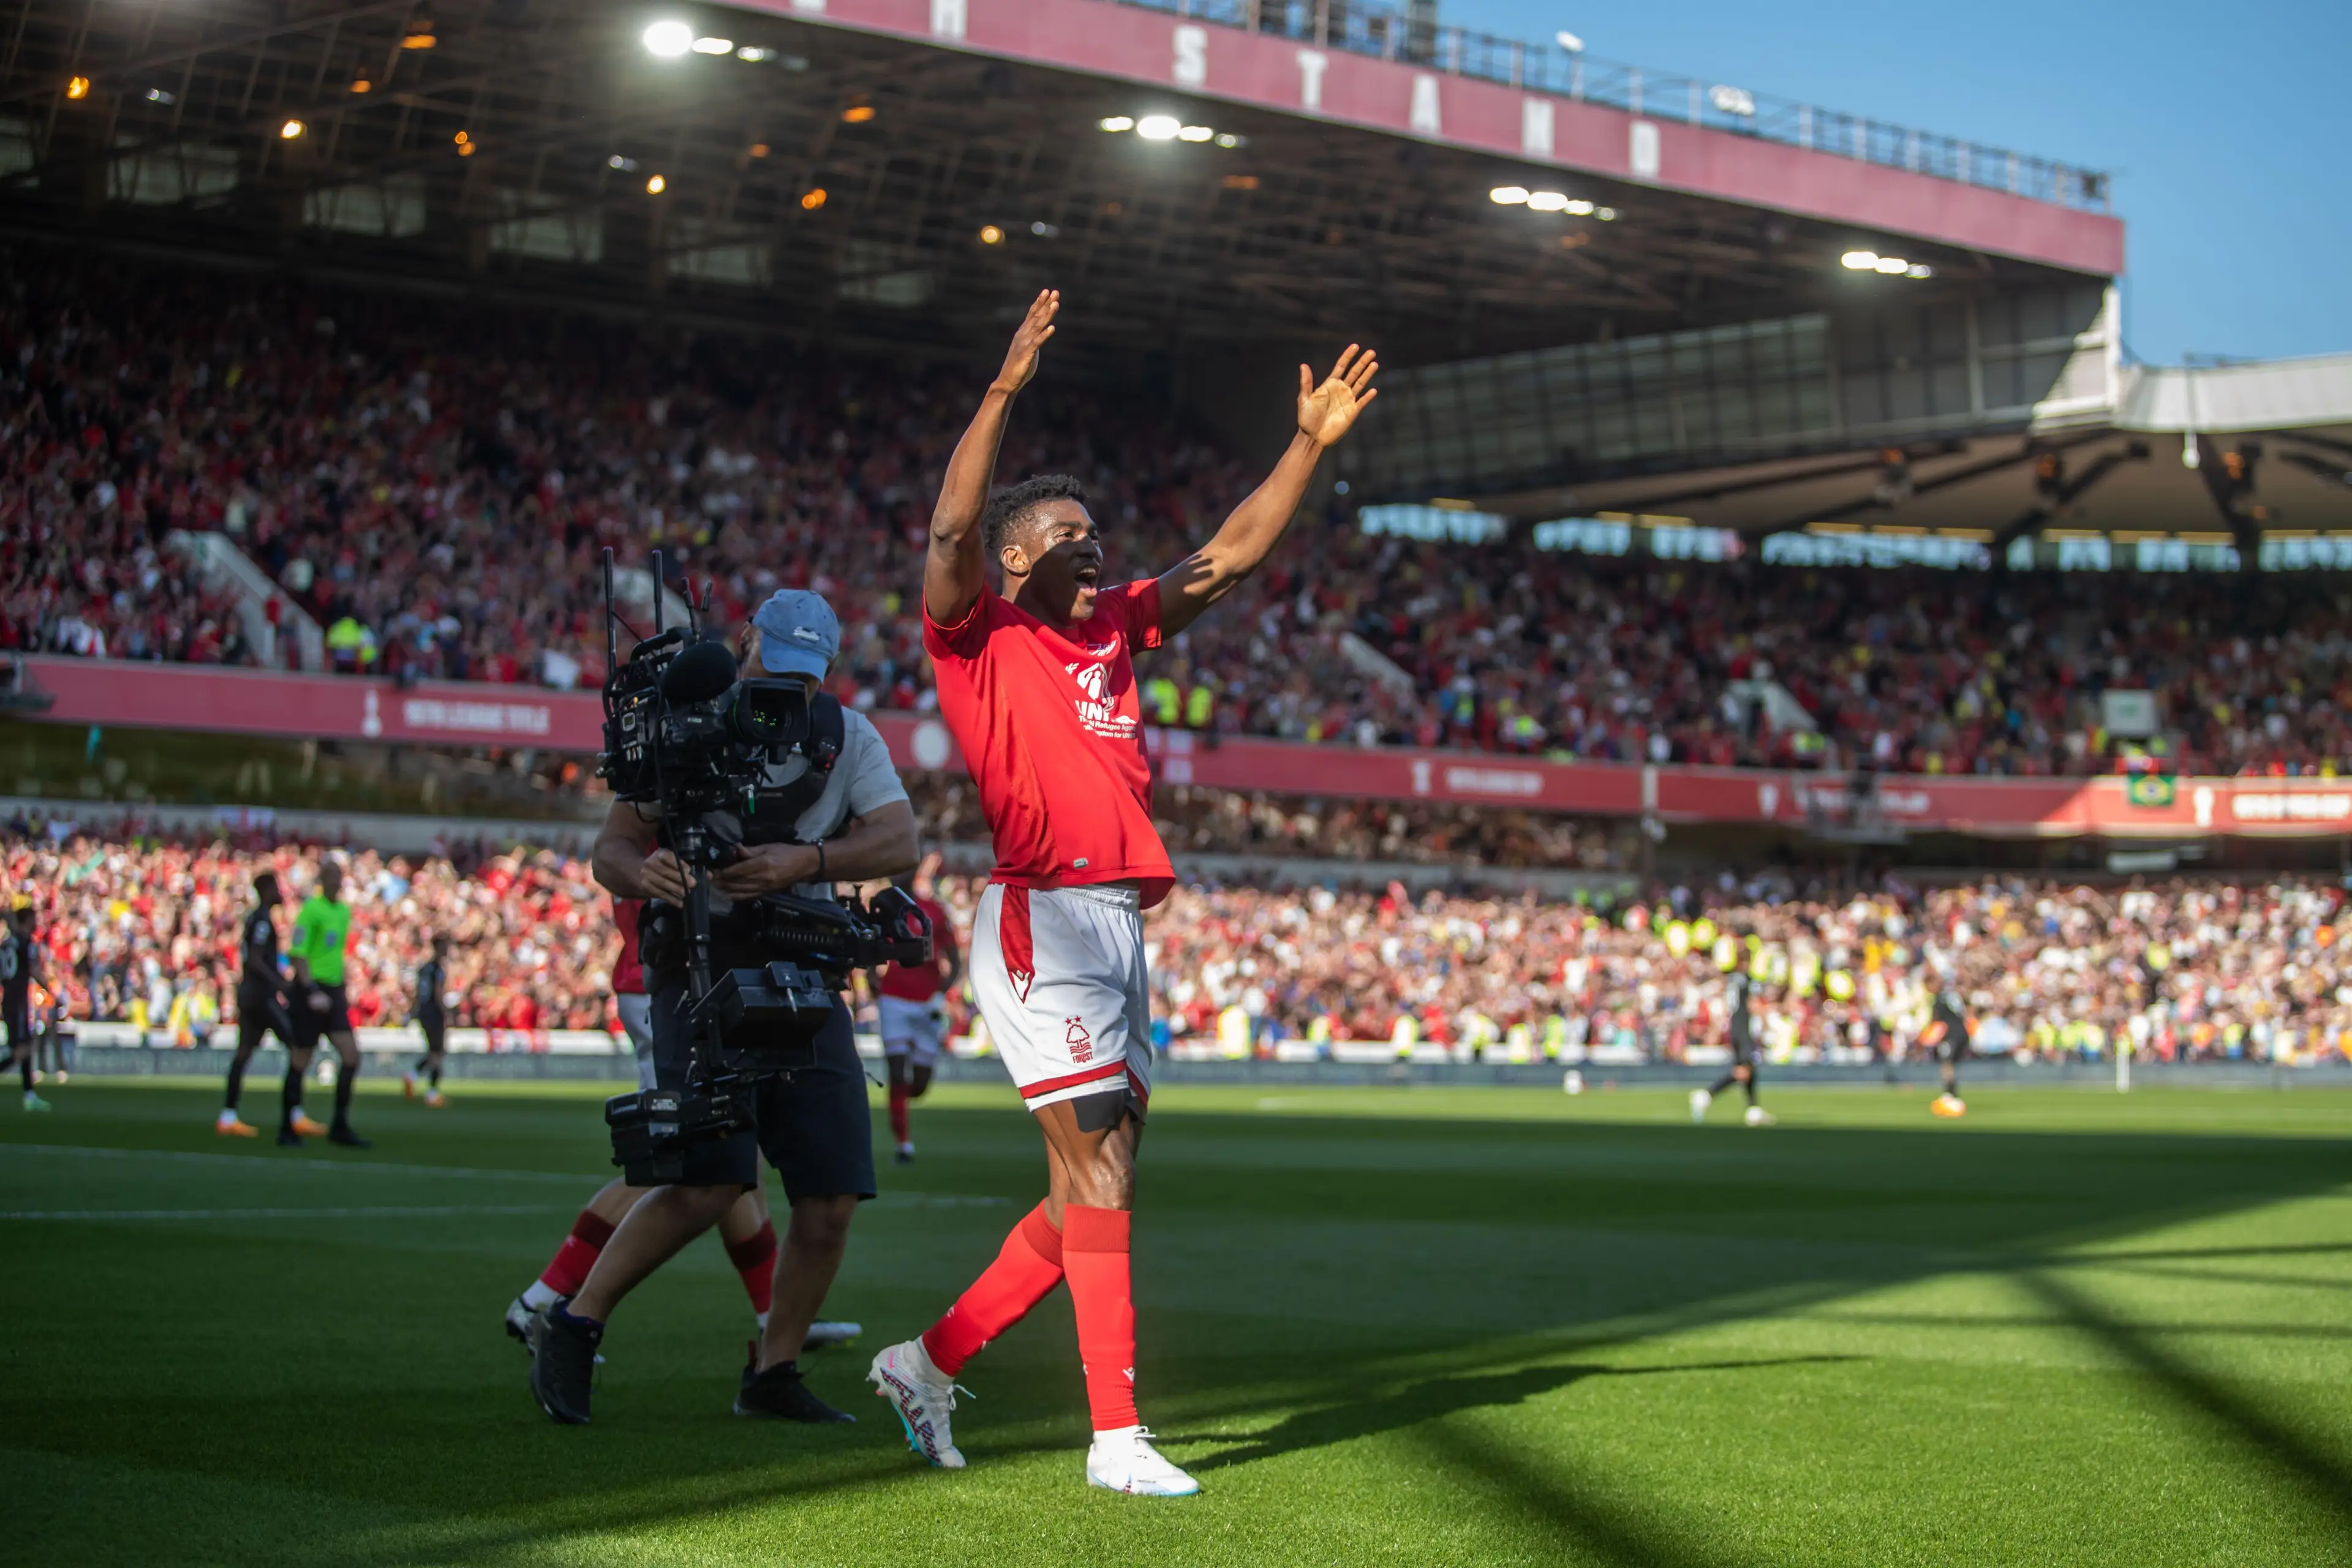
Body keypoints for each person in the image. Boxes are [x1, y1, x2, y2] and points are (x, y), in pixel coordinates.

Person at [866, 290, 1378, 1496]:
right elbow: (945, 539)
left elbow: (1233, 553)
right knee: (1097, 1172)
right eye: (1071, 533)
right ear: (1019, 559)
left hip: (1114, 924)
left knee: (1091, 1185)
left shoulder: (1117, 632)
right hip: (1042, 911)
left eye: (1099, 531)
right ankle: (1116, 1437)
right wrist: (1001, 392)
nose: (1099, 545)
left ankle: (924, 1360)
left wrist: (1307, 440)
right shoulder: (976, 633)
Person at [528, 589, 919, 1426]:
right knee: (707, 1181)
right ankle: (572, 1324)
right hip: (699, 971)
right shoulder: (685, 724)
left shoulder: (849, 736)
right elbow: (612, 850)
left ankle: (772, 1372)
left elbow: (900, 840)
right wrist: (646, 874)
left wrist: (801, 860)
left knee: (832, 1194)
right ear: (746, 644)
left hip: (805, 969)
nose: (791, 693)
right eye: (779, 673)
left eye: (807, 681)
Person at [876, 853, 962, 1164]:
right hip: (894, 1000)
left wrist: (941, 993)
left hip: (927, 1003)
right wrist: (874, 981)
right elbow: (871, 950)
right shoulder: (884, 911)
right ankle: (903, 1143)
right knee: (897, 1070)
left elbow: (954, 959)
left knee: (920, 1084)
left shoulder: (934, 911)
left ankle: (897, 1100)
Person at [284, 860, 371, 1148]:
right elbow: (299, 953)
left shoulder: (343, 912)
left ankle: (339, 1125)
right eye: (331, 877)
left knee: (351, 1055)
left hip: (333, 991)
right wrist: (310, 989)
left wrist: (340, 989)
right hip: (311, 989)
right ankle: (288, 1126)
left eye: (339, 876)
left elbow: (335, 953)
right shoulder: (311, 910)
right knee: (301, 1057)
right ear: (323, 879)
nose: (336, 882)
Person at [219, 873, 299, 1137]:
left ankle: (228, 1116)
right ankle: (294, 1115)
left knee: (243, 1054)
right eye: (276, 886)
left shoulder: (257, 919)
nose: (280, 891)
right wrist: (280, 983)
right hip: (261, 997)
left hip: (251, 994)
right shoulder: (262, 920)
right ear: (266, 889)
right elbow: (254, 960)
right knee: (297, 1047)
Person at [1691, 969, 1773, 1127]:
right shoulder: (1748, 979)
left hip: (1735, 1027)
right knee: (1743, 1071)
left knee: (1749, 1068)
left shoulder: (1733, 979)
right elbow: (1753, 1003)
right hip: (1743, 1028)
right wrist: (1766, 1025)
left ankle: (1753, 1109)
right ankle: (1706, 1095)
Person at [4, 902, 50, 1113]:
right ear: (27, 920)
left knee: (24, 1047)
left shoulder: (6, 943)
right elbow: (32, 969)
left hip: (9, 1000)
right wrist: (50, 990)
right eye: (34, 918)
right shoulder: (25, 942)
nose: (37, 922)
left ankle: (29, 1095)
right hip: (19, 1001)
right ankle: (29, 1095)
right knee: (22, 1049)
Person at [403, 934, 451, 1107]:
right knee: (438, 1052)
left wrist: (414, 1011)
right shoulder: (437, 969)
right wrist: (446, 1012)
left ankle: (413, 1076)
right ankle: (432, 1093)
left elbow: (418, 992)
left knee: (434, 1051)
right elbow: (437, 993)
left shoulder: (424, 968)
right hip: (434, 1013)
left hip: (423, 1012)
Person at [1927, 984, 1971, 1118]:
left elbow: (1936, 1020)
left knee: (1947, 1063)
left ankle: (1950, 1094)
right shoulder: (1954, 997)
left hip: (1951, 1034)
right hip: (1963, 1032)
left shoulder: (1939, 1000)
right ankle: (1952, 1094)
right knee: (1951, 1064)